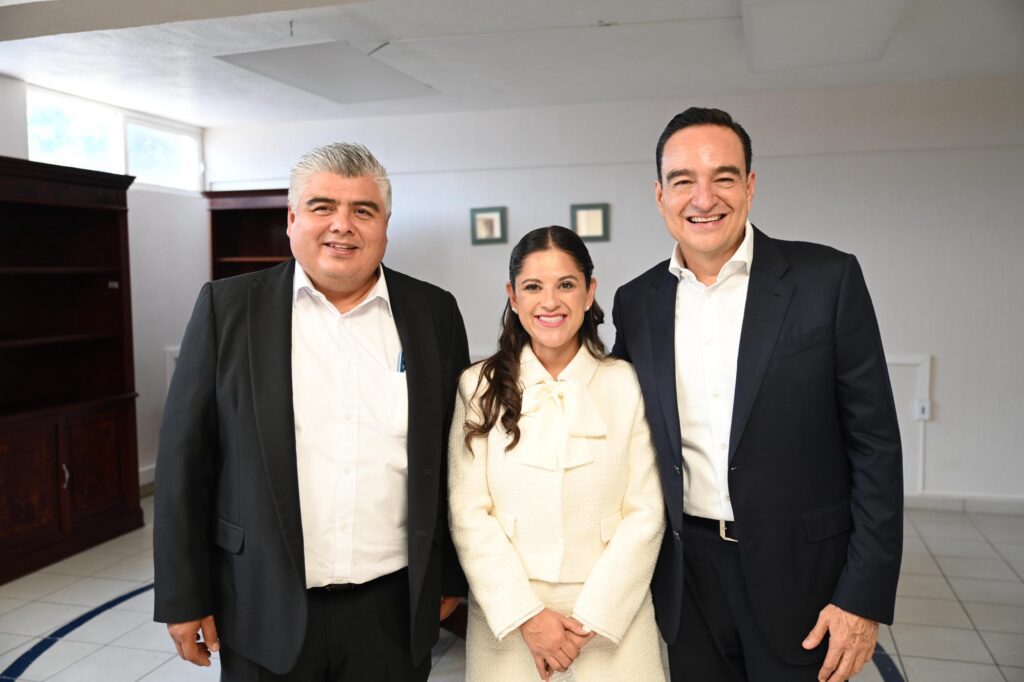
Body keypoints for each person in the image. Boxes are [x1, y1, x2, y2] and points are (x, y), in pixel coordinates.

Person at [153, 142, 469, 681]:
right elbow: (184, 464)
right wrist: (184, 596)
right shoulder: (227, 309)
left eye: (363, 210)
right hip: (262, 604)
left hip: (392, 610)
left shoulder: (433, 312)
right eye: (323, 207)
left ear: (385, 225)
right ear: (292, 219)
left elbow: (456, 457)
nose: (342, 225)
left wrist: (451, 575)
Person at [611, 108, 903, 681]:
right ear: (660, 195)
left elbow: (875, 447)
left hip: (804, 578)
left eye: (723, 177)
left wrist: (863, 597)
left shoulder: (827, 280)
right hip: (688, 580)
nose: (703, 198)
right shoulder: (636, 301)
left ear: (750, 185)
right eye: (683, 180)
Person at [449, 226, 667, 681]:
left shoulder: (626, 383)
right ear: (512, 297)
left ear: (589, 292)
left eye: (566, 284)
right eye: (533, 287)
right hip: (509, 618)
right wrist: (526, 616)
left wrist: (590, 621)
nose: (550, 302)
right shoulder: (477, 385)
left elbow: (646, 512)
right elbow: (467, 513)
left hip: (612, 619)